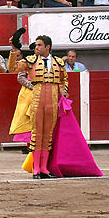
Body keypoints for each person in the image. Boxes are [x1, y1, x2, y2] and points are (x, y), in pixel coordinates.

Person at [17, 35, 68, 179]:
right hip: (37, 100)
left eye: (39, 45)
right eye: (36, 45)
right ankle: (36, 169)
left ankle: (44, 168)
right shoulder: (30, 61)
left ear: (47, 47)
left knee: (48, 135)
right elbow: (14, 68)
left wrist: (64, 95)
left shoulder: (58, 62)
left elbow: (64, 80)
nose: (36, 48)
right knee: (37, 135)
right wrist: (15, 50)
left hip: (52, 101)